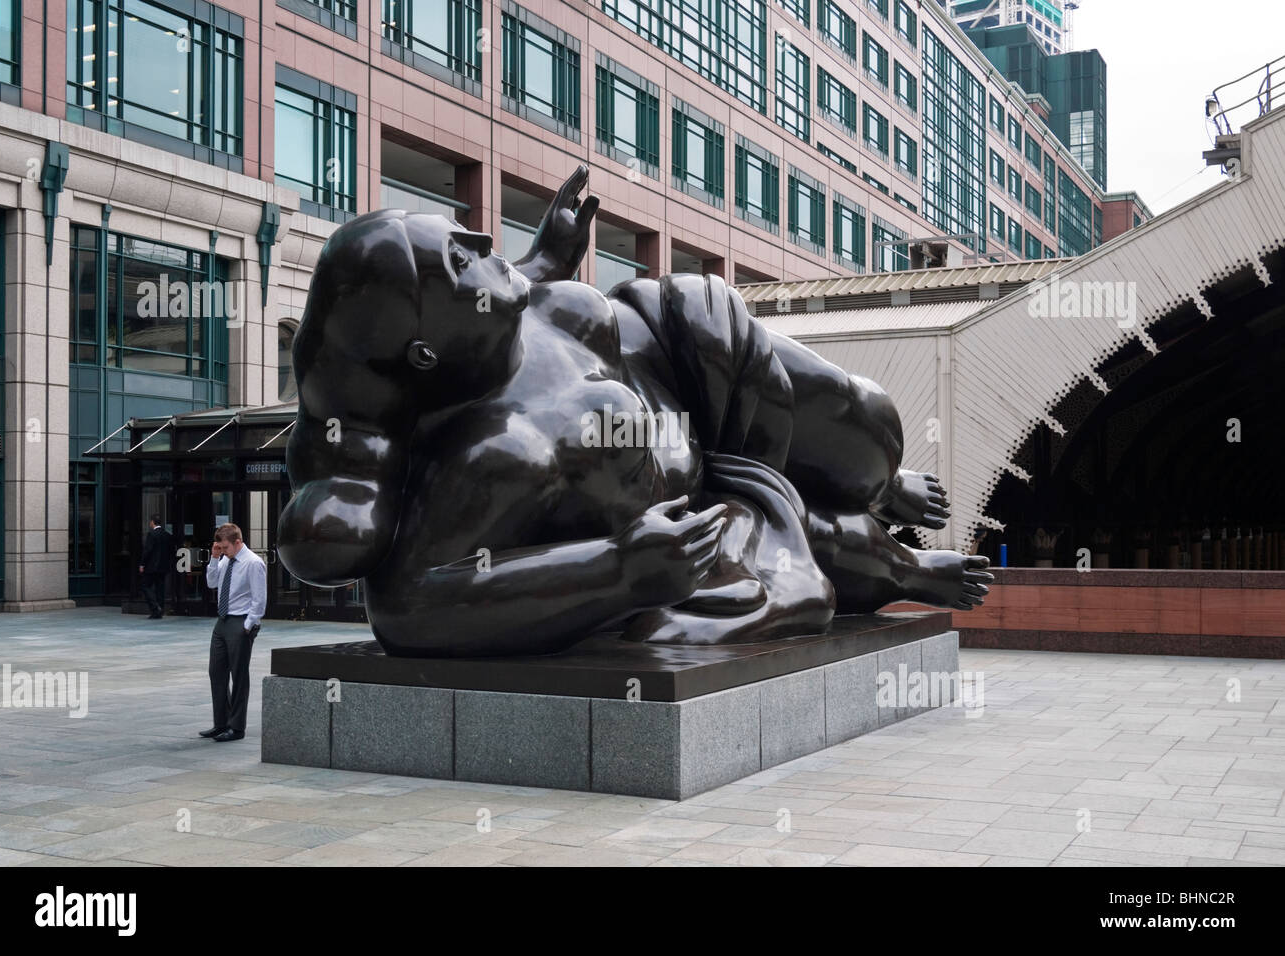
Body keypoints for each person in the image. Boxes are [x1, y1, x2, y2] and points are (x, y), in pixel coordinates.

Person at [277, 165, 991, 656]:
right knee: (792, 522)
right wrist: (615, 569)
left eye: (459, 235)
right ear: (427, 355)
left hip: (683, 346)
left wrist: (543, 261)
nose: (482, 242)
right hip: (703, 465)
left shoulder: (513, 314)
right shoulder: (493, 452)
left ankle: (882, 487)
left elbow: (504, 288)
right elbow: (408, 608)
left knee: (871, 430)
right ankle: (902, 564)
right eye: (459, 261)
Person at [200, 523, 266, 742]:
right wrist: (214, 558)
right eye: (221, 546)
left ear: (238, 542)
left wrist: (248, 625)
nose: (224, 550)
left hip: (241, 622)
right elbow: (211, 584)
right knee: (216, 672)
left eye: (226, 547)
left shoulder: (253, 563)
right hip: (222, 621)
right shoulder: (224, 560)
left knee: (239, 675)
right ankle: (221, 723)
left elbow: (259, 599)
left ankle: (236, 727)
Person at [138, 515, 174, 619]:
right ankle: (160, 610)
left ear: (153, 522)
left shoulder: (152, 534)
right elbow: (171, 551)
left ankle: (155, 607)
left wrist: (142, 564)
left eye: (150, 522)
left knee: (145, 585)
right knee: (160, 588)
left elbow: (147, 551)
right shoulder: (167, 535)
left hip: (152, 567)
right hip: (163, 567)